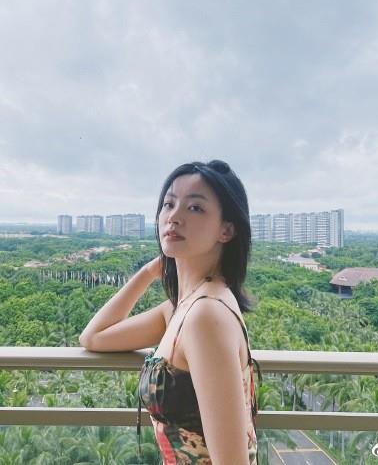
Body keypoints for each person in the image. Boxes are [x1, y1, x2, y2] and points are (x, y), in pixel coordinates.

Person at [79, 160, 261, 465]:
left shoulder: (205, 316)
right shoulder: (181, 308)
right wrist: (148, 272)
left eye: (195, 208)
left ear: (227, 230)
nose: (174, 217)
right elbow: (93, 337)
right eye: (169, 204)